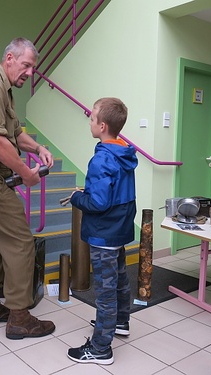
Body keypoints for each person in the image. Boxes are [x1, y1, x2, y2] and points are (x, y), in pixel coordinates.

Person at [0, 37, 55, 339]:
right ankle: (19, 315)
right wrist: (26, 173)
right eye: (26, 65)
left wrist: (38, 147)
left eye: (32, 67)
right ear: (9, 59)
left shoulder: (3, 89)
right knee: (20, 243)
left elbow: (14, 133)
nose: (30, 72)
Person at [67, 97, 138, 365]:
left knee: (105, 289)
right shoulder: (123, 152)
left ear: (103, 125)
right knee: (120, 278)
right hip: (119, 228)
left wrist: (77, 198)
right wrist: (91, 192)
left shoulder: (101, 159)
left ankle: (100, 348)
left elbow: (97, 203)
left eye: (92, 117)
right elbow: (113, 193)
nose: (90, 120)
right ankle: (120, 322)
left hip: (104, 232)